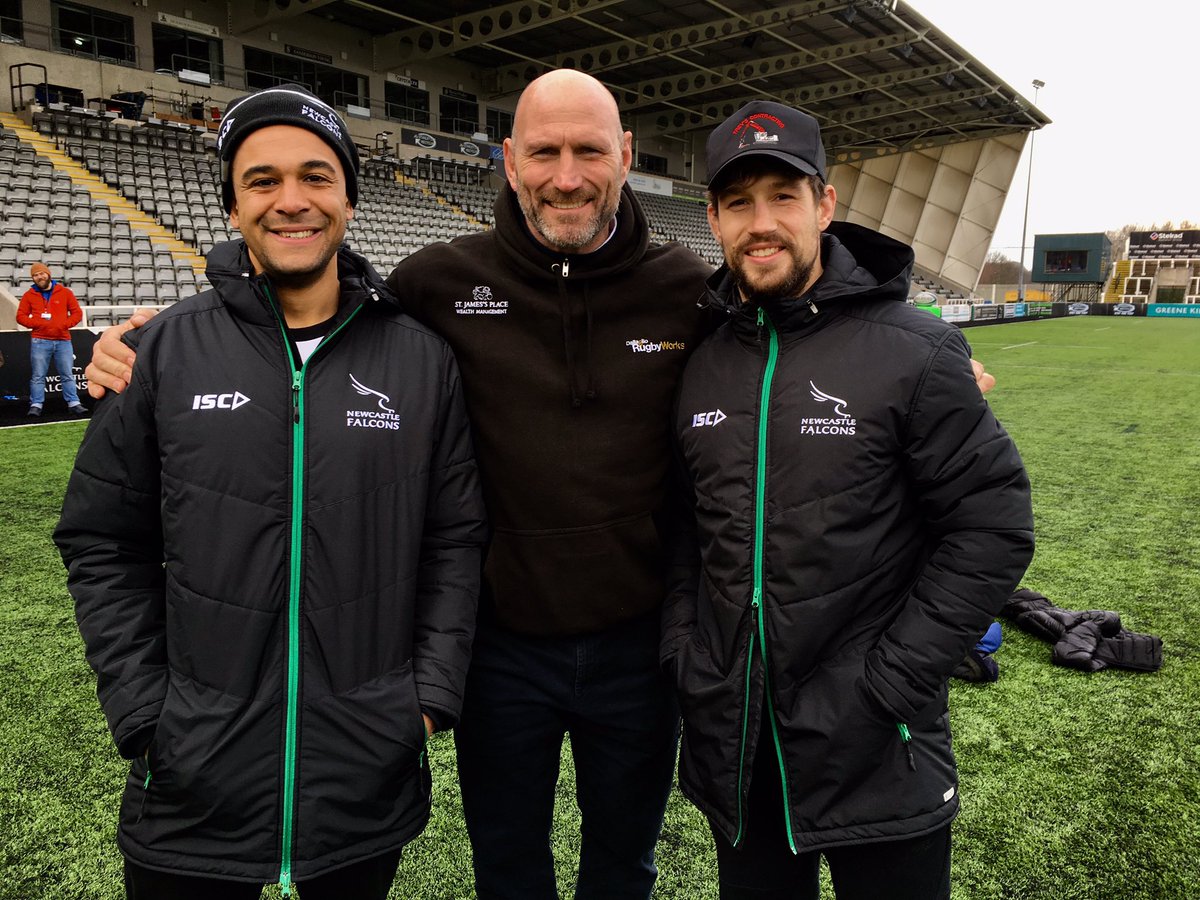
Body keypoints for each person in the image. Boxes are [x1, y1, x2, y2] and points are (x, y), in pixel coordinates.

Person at [82, 73, 998, 900]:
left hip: (642, 654)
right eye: (546, 152)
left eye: (589, 151)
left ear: (625, 159)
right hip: (499, 657)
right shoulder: (438, 281)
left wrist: (928, 352)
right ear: (511, 159)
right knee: (508, 867)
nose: (568, 175)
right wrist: (155, 337)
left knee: (623, 867)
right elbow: (314, 316)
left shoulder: (690, 290)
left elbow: (813, 338)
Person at [54, 84, 486, 900]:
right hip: (190, 779)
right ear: (231, 205)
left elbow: (455, 540)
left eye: (317, 177)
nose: (292, 201)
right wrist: (147, 714)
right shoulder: (162, 353)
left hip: (362, 772)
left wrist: (423, 700)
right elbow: (101, 540)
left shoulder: (421, 361)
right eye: (263, 180)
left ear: (350, 198)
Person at [661, 101, 1035, 900]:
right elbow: (685, 531)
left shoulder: (919, 349)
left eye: (783, 196)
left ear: (825, 204)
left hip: (881, 748)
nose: (761, 223)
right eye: (738, 203)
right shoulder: (701, 361)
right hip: (741, 750)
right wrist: (687, 653)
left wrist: (891, 683)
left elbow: (993, 526)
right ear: (714, 220)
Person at [16, 261, 86, 416]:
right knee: (38, 375)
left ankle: (74, 403)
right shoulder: (29, 295)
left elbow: (77, 313)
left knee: (67, 374)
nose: (39, 277)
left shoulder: (65, 292)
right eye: (35, 275)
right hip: (40, 340)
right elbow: (20, 316)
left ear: (48, 274)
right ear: (33, 278)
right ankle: (36, 404)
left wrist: (64, 325)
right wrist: (37, 324)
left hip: (63, 340)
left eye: (41, 273)